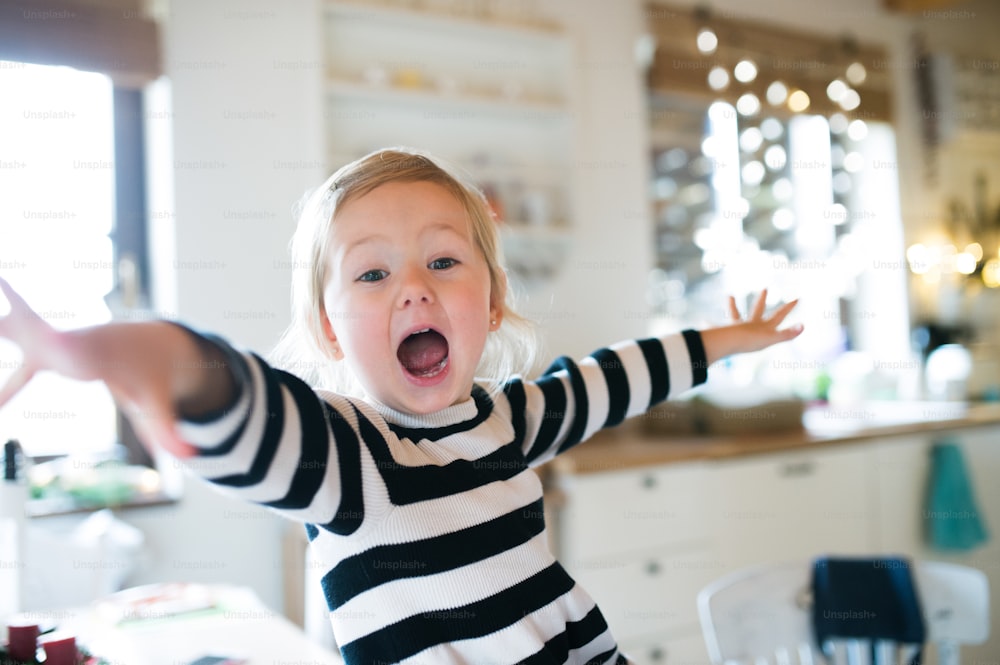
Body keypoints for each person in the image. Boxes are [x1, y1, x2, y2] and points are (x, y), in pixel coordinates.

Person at [0, 147, 803, 664]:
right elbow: (242, 399)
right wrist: (121, 354)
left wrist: (722, 341)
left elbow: (614, 377)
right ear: (328, 326)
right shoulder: (353, 458)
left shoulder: (509, 420)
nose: (414, 285)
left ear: (490, 304)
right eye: (373, 274)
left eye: (444, 259)